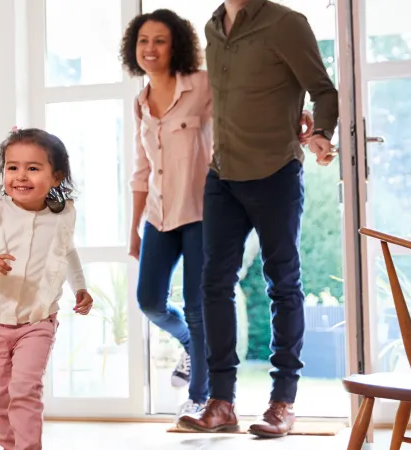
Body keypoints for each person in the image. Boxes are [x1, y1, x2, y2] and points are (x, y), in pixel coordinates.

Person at [177, 0, 338, 438]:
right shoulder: (212, 28)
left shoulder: (287, 23)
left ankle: (282, 402)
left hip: (275, 172)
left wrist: (320, 133)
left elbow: (323, 90)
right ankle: (221, 401)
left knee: (282, 282)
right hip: (223, 174)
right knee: (213, 284)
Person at [0, 128, 94, 450]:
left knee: (24, 389)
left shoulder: (61, 218)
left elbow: (67, 252)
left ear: (56, 176)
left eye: (33, 168)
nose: (21, 176)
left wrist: (80, 288)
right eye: (12, 167)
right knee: (0, 396)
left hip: (37, 321)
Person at [120, 9, 214, 419]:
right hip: (158, 216)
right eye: (143, 41)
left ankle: (201, 396)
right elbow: (141, 170)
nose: (150, 48)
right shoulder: (140, 103)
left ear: (176, 45)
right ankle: (193, 348)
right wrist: (135, 228)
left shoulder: (204, 85)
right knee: (150, 301)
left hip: (201, 212)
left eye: (159, 40)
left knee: (198, 306)